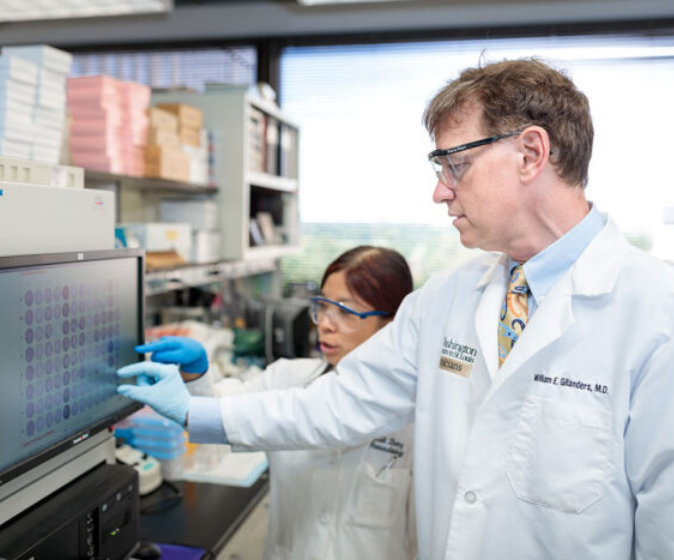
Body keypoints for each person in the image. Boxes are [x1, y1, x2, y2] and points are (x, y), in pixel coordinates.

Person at [118, 59, 674, 559]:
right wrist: (195, 412)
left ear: (531, 153)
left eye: (454, 164)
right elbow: (335, 404)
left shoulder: (654, 314)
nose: (440, 192)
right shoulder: (447, 300)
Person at [122, 246, 416, 559]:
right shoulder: (288, 377)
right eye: (323, 306)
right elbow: (222, 411)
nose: (326, 323)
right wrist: (195, 375)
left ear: (390, 325)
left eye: (346, 311)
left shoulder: (416, 412)